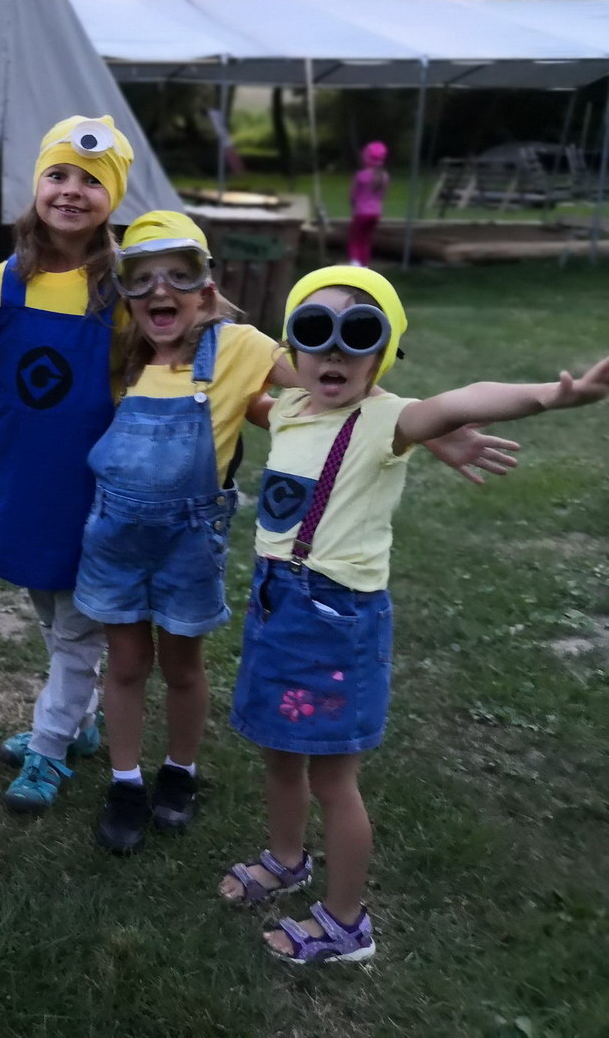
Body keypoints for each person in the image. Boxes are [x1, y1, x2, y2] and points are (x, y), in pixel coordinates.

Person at [218, 266, 609, 965]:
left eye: (359, 335)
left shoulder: (386, 420)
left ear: (385, 353)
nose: (334, 352)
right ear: (293, 346)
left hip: (335, 619)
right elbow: (246, 390)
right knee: (278, 752)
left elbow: (464, 399)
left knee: (332, 779)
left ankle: (346, 925)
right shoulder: (290, 408)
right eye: (315, 331)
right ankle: (287, 858)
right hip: (277, 605)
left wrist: (553, 395)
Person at [76, 212, 294, 851]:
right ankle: (124, 781)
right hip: (115, 543)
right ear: (126, 295)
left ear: (206, 289)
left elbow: (328, 387)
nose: (160, 290)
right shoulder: (122, 359)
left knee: (182, 665)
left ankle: (180, 770)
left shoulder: (238, 349)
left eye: (179, 274)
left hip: (188, 547)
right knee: (125, 663)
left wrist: (429, 429)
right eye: (141, 279)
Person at [0, 114, 131, 814]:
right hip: (24, 478)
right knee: (48, 604)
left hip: (92, 483)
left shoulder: (123, 290)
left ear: (113, 197)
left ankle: (50, 747)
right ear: (36, 185)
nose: (70, 191)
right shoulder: (1, 284)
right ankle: (81, 718)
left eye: (90, 180)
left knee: (77, 623)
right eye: (57, 175)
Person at [346, 141, 389, 267]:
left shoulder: (361, 175)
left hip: (361, 213)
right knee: (366, 240)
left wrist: (353, 206)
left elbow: (352, 195)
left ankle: (355, 263)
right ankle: (365, 264)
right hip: (376, 213)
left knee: (355, 239)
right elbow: (382, 196)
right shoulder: (384, 176)